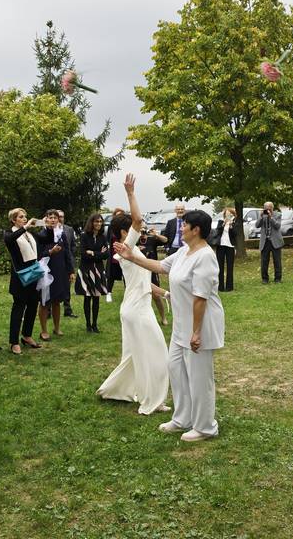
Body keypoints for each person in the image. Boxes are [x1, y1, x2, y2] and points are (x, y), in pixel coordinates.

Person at [114, 209, 225, 442]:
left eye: (185, 225)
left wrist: (196, 332)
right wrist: (130, 256)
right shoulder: (185, 251)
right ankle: (183, 418)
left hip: (200, 326)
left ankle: (205, 426)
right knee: (177, 370)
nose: (180, 228)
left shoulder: (205, 256)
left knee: (199, 377)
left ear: (196, 230)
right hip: (181, 326)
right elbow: (160, 267)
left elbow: (201, 298)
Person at [97, 174, 170, 415]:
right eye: (128, 229)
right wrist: (130, 193)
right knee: (157, 352)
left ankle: (115, 390)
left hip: (134, 306)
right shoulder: (126, 247)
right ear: (121, 233)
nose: (135, 229)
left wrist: (167, 294)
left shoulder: (129, 250)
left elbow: (144, 283)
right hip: (136, 311)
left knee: (135, 355)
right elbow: (138, 220)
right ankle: (153, 401)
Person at [3, 208, 43, 354]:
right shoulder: (9, 233)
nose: (25, 219)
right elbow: (10, 239)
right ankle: (14, 342)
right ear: (14, 220)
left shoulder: (29, 234)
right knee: (19, 307)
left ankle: (27, 335)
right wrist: (25, 227)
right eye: (21, 217)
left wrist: (49, 225)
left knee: (33, 305)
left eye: (25, 216)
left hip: (34, 273)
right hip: (20, 276)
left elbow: (43, 242)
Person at [38, 210, 70, 341]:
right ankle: (44, 330)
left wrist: (71, 270)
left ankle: (57, 328)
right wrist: (50, 252)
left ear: (58, 220)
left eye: (55, 218)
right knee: (45, 302)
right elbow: (38, 254)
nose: (53, 220)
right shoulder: (41, 234)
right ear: (45, 219)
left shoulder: (62, 234)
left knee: (57, 301)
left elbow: (67, 253)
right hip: (46, 271)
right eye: (50, 217)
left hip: (60, 271)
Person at [75, 212, 110, 333]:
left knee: (96, 298)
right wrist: (97, 253)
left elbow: (106, 255)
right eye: (96, 221)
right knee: (87, 297)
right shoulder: (84, 236)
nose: (99, 224)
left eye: (100, 222)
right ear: (92, 222)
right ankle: (88, 325)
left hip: (99, 270)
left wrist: (93, 253)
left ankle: (95, 324)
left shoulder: (103, 237)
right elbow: (84, 255)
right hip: (86, 269)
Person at [137, 225, 168, 326]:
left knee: (156, 295)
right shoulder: (135, 240)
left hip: (152, 270)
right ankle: (142, 319)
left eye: (143, 229)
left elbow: (165, 240)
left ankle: (163, 317)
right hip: (138, 271)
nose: (142, 232)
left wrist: (156, 235)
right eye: (140, 229)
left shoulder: (152, 239)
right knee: (139, 296)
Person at [56, 210, 79, 319]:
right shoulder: (49, 229)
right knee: (53, 286)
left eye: (62, 217)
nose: (60, 218)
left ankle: (67, 310)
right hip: (54, 263)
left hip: (67, 263)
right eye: (58, 216)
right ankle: (49, 311)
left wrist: (70, 254)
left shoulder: (69, 229)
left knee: (67, 286)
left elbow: (74, 245)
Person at [211, 208, 237, 292]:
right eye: (226, 214)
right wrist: (223, 224)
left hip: (230, 246)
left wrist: (231, 226)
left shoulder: (235, 223)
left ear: (233, 215)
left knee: (230, 267)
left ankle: (229, 287)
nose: (228, 215)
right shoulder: (220, 222)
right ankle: (220, 287)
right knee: (220, 266)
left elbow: (235, 234)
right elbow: (217, 232)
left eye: (230, 214)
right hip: (221, 246)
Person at [258, 202, 284, 284]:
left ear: (272, 208)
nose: (267, 209)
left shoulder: (278, 214)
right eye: (265, 208)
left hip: (275, 241)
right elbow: (257, 225)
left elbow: (277, 226)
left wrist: (271, 217)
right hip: (265, 241)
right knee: (264, 261)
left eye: (269, 208)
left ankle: (278, 279)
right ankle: (265, 279)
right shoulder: (263, 215)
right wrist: (261, 217)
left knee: (277, 261)